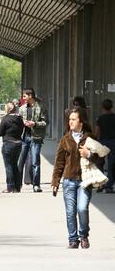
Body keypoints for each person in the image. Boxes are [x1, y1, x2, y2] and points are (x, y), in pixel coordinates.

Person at [51, 107, 99, 249]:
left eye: (74, 119)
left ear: (81, 122)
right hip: (69, 180)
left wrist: (89, 154)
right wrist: (55, 181)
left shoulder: (90, 138)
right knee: (70, 212)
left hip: (85, 180)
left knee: (82, 208)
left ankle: (84, 235)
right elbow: (59, 162)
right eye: (69, 119)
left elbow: (100, 158)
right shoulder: (65, 139)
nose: (70, 122)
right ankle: (73, 239)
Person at [17, 88, 49, 192]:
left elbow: (45, 123)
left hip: (36, 138)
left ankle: (36, 185)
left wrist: (34, 124)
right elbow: (18, 123)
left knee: (35, 161)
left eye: (24, 96)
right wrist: (23, 123)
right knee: (20, 161)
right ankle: (18, 185)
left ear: (30, 96)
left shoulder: (41, 107)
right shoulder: (22, 109)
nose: (23, 98)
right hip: (25, 137)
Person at [0, 102, 24, 193]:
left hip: (8, 143)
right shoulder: (20, 119)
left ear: (7, 109)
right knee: (15, 165)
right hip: (18, 143)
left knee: (8, 166)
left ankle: (10, 187)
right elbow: (22, 129)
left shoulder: (5, 119)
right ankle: (17, 187)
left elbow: (0, 133)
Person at [95, 98, 115, 193]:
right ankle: (109, 186)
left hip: (102, 142)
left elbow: (97, 132)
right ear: (112, 107)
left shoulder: (100, 118)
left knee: (100, 164)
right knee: (112, 165)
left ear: (103, 107)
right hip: (113, 143)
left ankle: (100, 185)